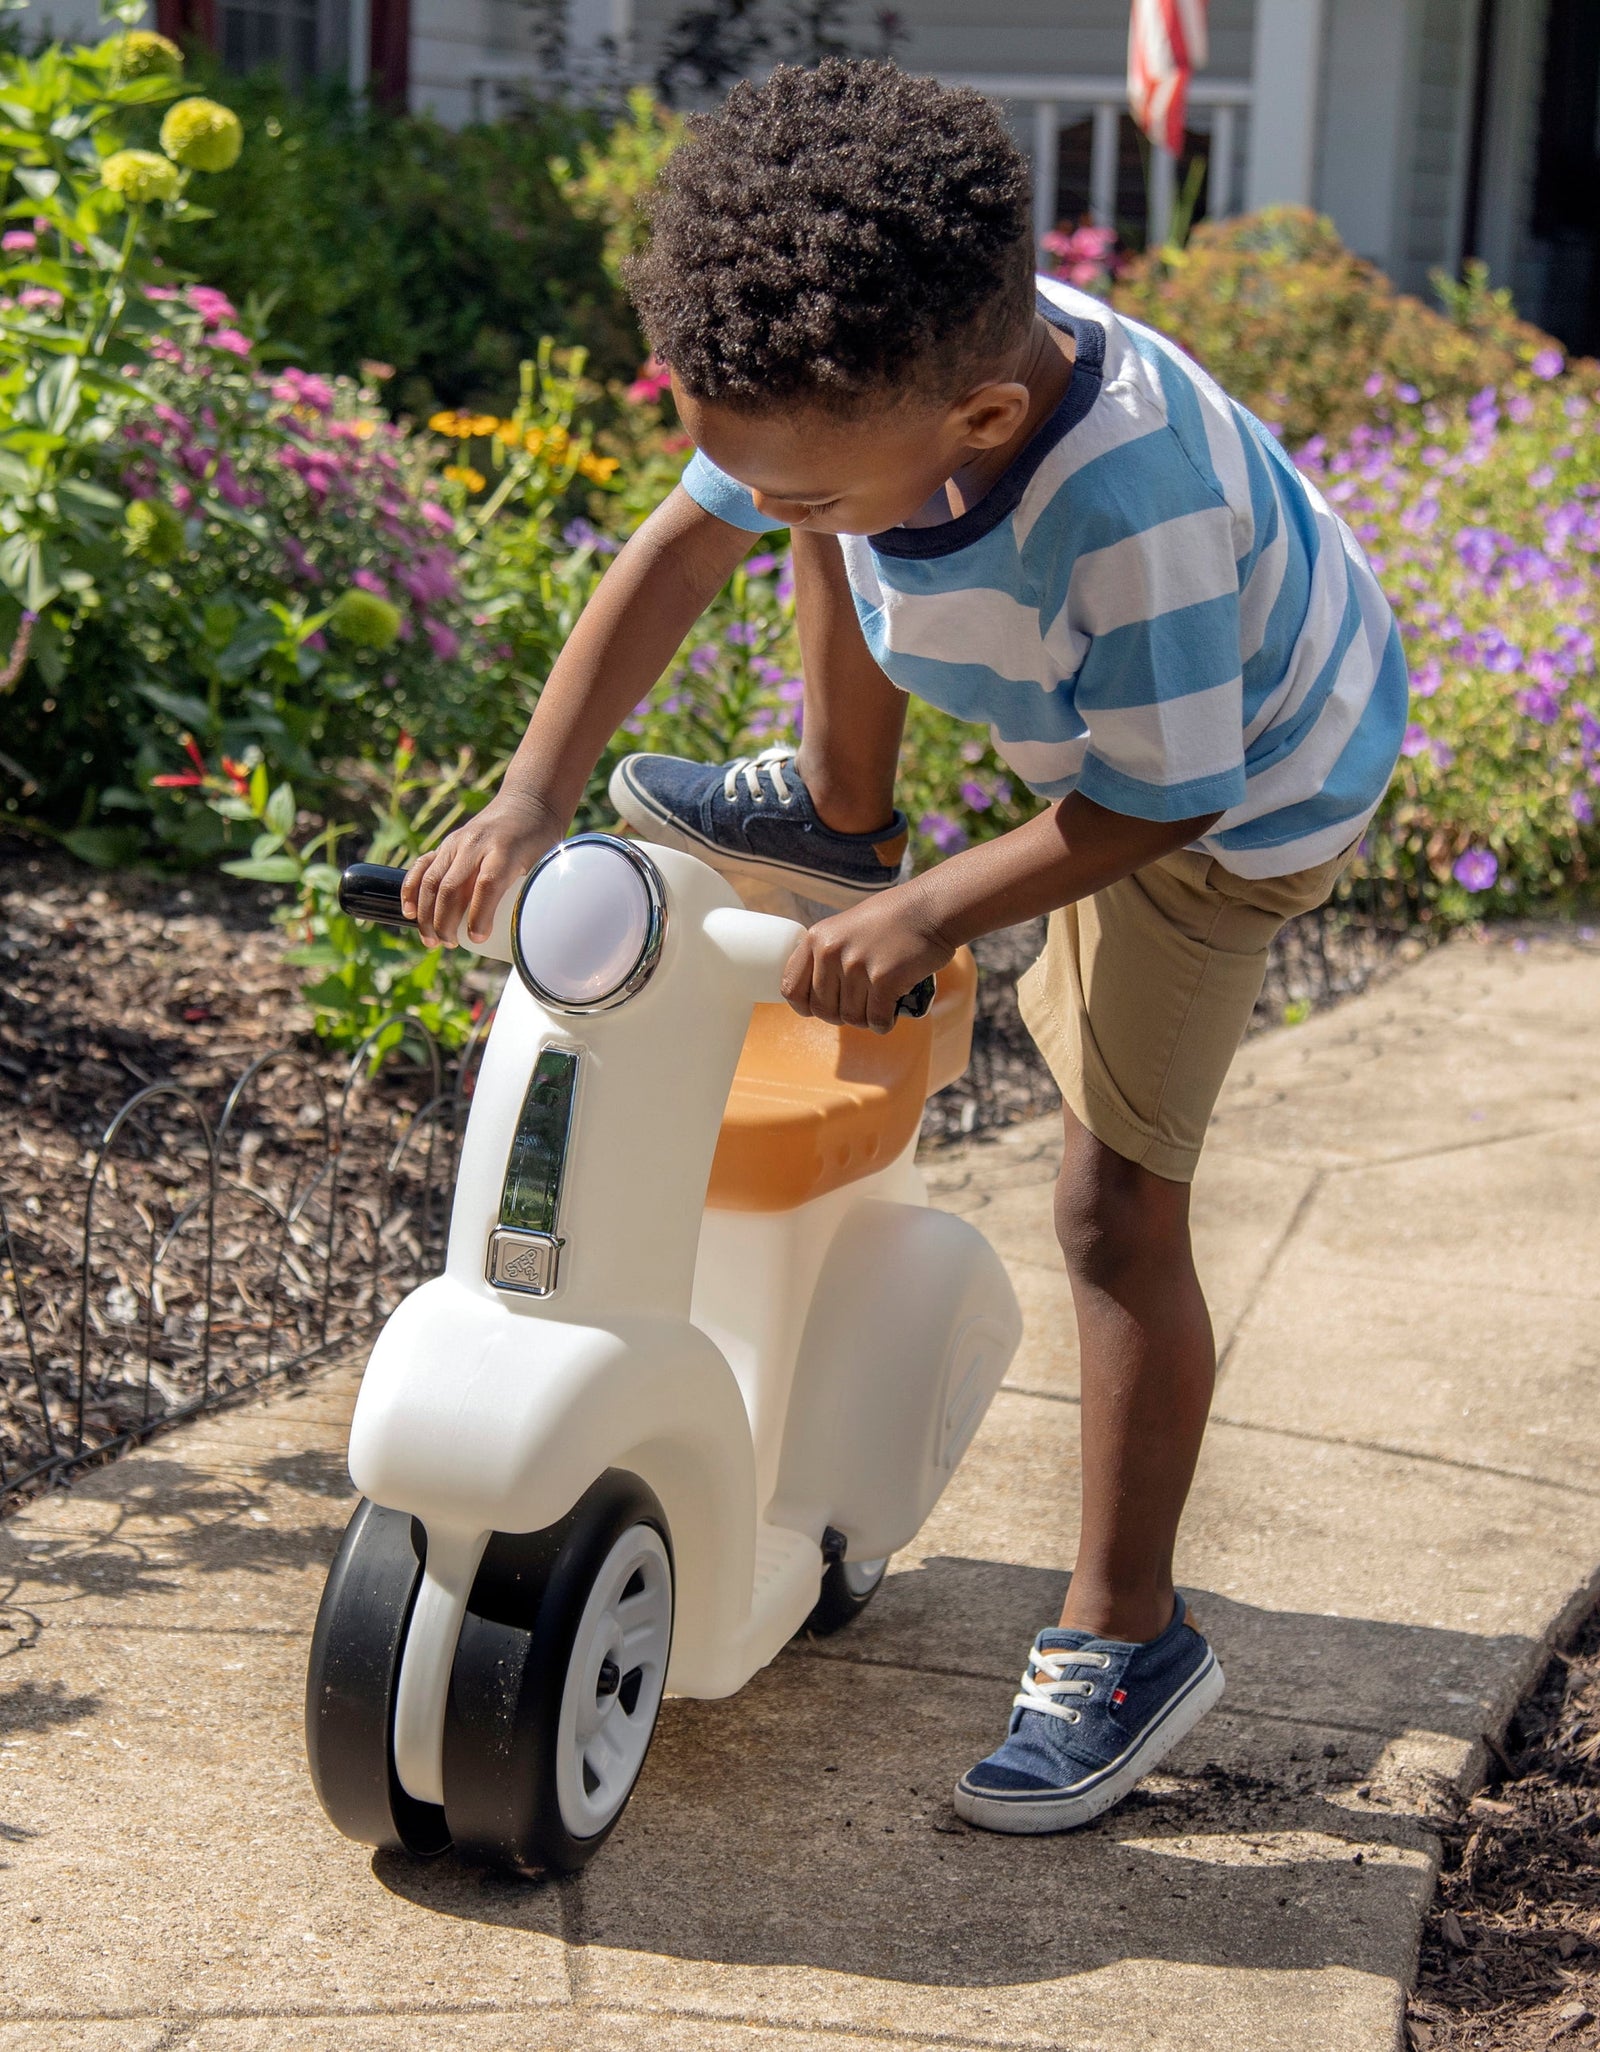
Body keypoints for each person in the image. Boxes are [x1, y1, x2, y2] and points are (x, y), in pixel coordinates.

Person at [404, 59, 1408, 1834]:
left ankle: (1130, 1633)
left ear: (980, 427)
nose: (751, 504)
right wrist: (527, 796)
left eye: (785, 483)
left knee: (1113, 1209)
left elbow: (1164, 799)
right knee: (838, 539)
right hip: (1080, 697)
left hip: (1237, 798)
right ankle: (841, 806)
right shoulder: (868, 401)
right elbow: (680, 550)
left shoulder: (1128, 507)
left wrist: (933, 909)